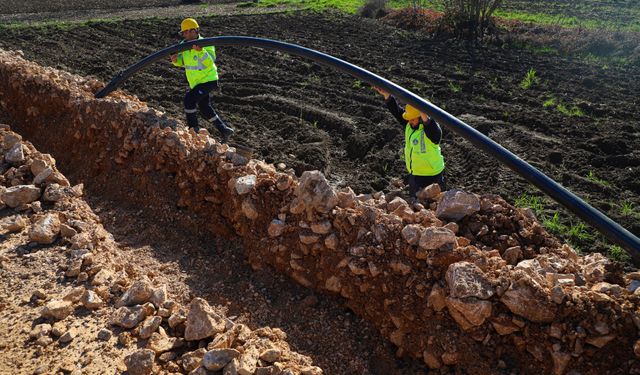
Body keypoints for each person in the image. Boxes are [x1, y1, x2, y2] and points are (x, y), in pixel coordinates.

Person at [374, 87, 446, 198]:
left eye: (413, 119)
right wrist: (387, 96)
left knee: (435, 205)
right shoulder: (410, 125)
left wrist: (423, 111)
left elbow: (431, 127)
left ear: (422, 118)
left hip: (433, 175)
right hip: (416, 174)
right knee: (415, 204)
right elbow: (397, 111)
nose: (410, 121)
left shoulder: (432, 131)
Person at [170, 18, 234, 141]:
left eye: (190, 31)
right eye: (185, 32)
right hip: (197, 83)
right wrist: (175, 60)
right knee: (204, 107)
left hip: (208, 80)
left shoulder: (206, 43)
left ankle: (193, 131)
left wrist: (200, 51)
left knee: (189, 100)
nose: (187, 34)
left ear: (196, 30)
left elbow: (210, 62)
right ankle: (224, 129)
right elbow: (182, 62)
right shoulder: (183, 46)